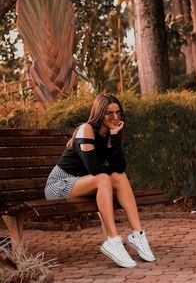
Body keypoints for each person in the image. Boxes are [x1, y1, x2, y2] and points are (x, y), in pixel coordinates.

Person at [44, 93, 156, 268]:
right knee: (104, 178)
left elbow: (119, 168)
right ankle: (113, 239)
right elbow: (94, 170)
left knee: (119, 176)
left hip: (82, 183)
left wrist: (115, 137)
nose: (115, 117)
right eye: (109, 113)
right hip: (59, 185)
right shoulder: (86, 129)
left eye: (118, 113)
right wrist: (110, 171)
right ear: (99, 113)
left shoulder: (109, 134)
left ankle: (138, 234)